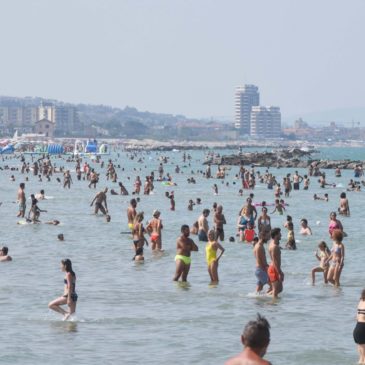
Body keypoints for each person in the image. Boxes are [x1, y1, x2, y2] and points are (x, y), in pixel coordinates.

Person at [267, 228, 284, 298]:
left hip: (274, 268)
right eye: (279, 234)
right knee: (276, 290)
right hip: (274, 268)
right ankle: (273, 305)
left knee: (279, 289)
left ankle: (265, 296)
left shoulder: (271, 243)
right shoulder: (274, 247)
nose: (281, 235)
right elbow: (275, 260)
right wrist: (280, 272)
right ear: (276, 235)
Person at [353, 289, 365, 365]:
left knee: (361, 360)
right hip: (364, 328)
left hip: (357, 329)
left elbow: (356, 317)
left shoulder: (360, 302)